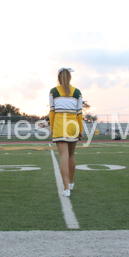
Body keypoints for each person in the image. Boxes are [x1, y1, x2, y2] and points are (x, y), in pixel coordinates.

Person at [49, 67, 83, 197]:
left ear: (58, 78)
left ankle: (66, 188)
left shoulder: (53, 91)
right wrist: (80, 129)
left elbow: (52, 112)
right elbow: (80, 113)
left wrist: (52, 128)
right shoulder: (77, 92)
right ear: (70, 78)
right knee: (71, 156)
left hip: (59, 124)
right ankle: (71, 182)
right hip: (73, 124)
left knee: (63, 156)